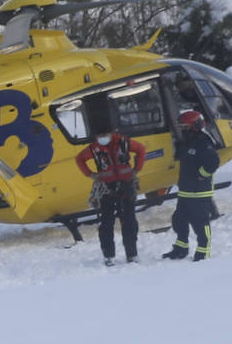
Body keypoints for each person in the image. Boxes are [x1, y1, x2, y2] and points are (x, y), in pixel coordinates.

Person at [76, 129, 147, 265]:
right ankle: (109, 256)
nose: (102, 137)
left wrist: (136, 169)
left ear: (111, 133)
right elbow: (80, 159)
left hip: (126, 187)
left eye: (104, 134)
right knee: (106, 224)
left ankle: (132, 254)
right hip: (106, 189)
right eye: (99, 135)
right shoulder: (94, 148)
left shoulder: (123, 143)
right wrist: (91, 175)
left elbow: (141, 149)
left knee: (129, 221)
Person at [162, 109, 221, 261]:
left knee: (200, 224)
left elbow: (213, 163)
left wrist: (201, 174)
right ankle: (181, 249)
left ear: (194, 126)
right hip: (185, 192)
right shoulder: (187, 142)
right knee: (178, 221)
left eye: (184, 127)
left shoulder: (204, 141)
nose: (182, 130)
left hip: (199, 193)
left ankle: (203, 251)